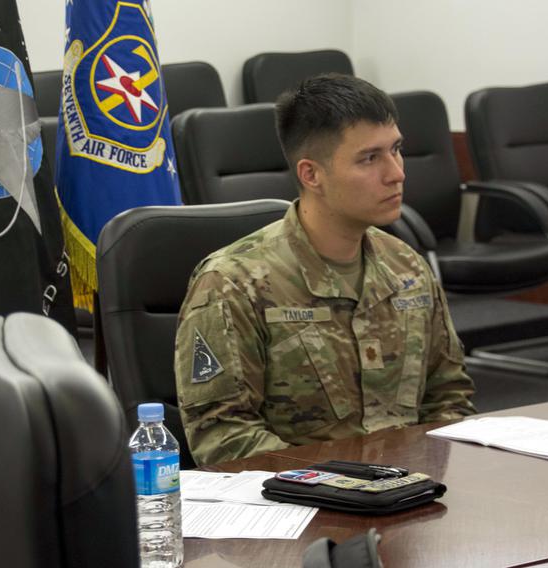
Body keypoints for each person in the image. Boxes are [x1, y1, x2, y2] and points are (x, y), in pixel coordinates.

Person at [174, 74, 476, 466]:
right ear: (311, 174)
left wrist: (419, 476)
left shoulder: (407, 269)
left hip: (408, 495)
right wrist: (339, 487)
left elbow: (449, 397)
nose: (396, 172)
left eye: (396, 150)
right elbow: (223, 435)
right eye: (370, 158)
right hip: (300, 505)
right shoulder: (234, 283)